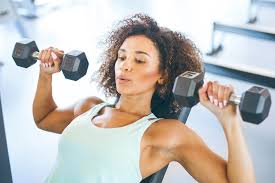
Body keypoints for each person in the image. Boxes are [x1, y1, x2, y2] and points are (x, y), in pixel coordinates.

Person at [33, 14, 256, 183]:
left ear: (163, 75)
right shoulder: (89, 107)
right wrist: (45, 74)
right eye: (121, 57)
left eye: (139, 61)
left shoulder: (165, 134)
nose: (125, 66)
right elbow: (44, 118)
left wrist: (230, 122)